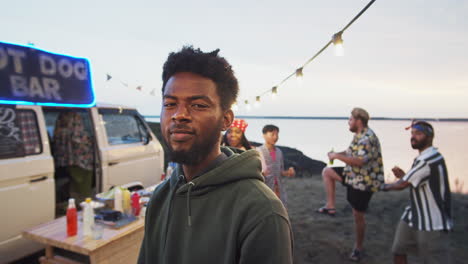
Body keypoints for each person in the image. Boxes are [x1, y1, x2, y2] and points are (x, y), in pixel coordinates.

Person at [138, 46, 293, 264]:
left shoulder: (262, 213)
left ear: (226, 119)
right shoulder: (161, 197)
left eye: (198, 105)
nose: (179, 115)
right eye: (170, 104)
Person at [380, 121, 453, 264]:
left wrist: (380, 186)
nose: (413, 137)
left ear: (429, 137)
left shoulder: (428, 160)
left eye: (418, 134)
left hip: (431, 220)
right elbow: (416, 180)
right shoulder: (425, 157)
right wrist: (404, 176)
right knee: (398, 250)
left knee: (431, 259)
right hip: (413, 214)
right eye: (412, 134)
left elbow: (402, 185)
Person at [318, 107, 384, 262]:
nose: (348, 122)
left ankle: (358, 248)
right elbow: (350, 153)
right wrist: (336, 154)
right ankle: (330, 206)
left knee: (358, 215)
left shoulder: (367, 138)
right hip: (352, 175)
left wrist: (337, 157)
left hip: (364, 182)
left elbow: (360, 161)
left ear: (358, 121)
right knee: (327, 171)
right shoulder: (358, 135)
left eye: (350, 120)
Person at [52, 111, 94, 204]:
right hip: (81, 160)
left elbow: (56, 140)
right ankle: (84, 204)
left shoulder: (60, 122)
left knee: (73, 184)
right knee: (83, 187)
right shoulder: (76, 121)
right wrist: (90, 141)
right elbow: (78, 139)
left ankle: (72, 203)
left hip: (64, 160)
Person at [257, 124, 295, 206]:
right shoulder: (258, 151)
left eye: (277, 134)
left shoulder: (279, 151)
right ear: (264, 135)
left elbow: (280, 172)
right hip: (265, 187)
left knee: (280, 207)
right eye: (272, 134)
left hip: (279, 187)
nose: (275, 137)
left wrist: (289, 172)